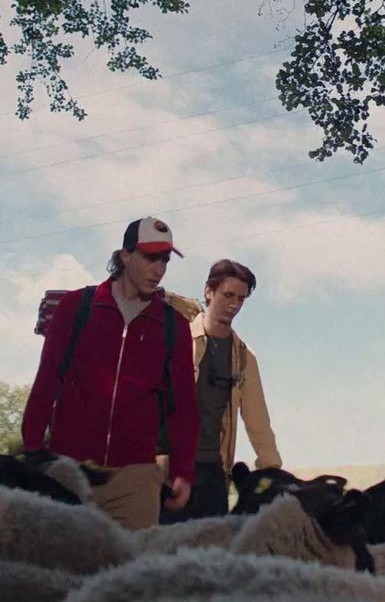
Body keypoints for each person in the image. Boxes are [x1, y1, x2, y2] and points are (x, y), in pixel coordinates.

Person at [21, 216, 200, 530]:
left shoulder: (174, 326)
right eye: (150, 257)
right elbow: (47, 380)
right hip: (69, 471)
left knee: (131, 574)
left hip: (136, 479)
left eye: (165, 260)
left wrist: (183, 470)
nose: (159, 269)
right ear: (125, 256)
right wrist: (34, 449)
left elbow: (184, 407)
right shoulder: (77, 307)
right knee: (61, 569)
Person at [161, 258, 282, 522]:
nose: (234, 305)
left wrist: (272, 469)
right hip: (168, 468)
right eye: (228, 295)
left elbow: (257, 419)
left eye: (241, 299)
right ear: (208, 291)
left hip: (214, 471)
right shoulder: (177, 340)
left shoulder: (243, 356)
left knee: (211, 554)